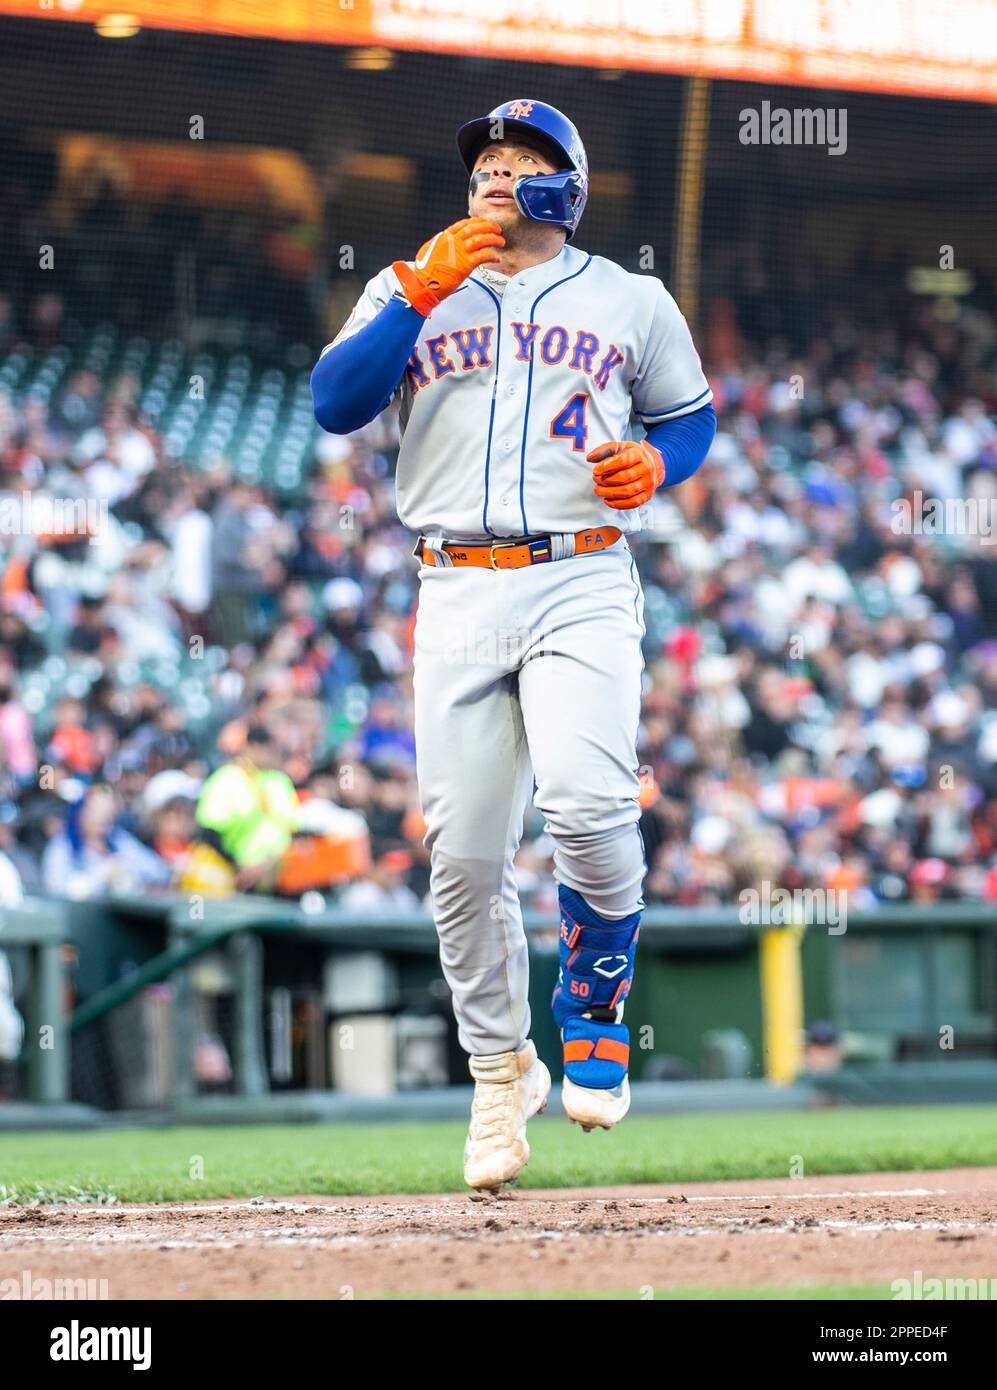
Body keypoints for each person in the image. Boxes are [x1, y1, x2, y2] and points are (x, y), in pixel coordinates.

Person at [312, 99, 715, 1193]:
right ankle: (499, 1070)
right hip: (453, 585)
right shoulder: (409, 286)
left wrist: (658, 467)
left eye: (520, 159)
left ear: (565, 184)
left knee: (587, 802)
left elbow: (688, 417)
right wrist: (415, 291)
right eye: (485, 161)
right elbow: (336, 404)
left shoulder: (628, 297)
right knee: (464, 857)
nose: (495, 173)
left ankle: (593, 992)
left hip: (581, 573)